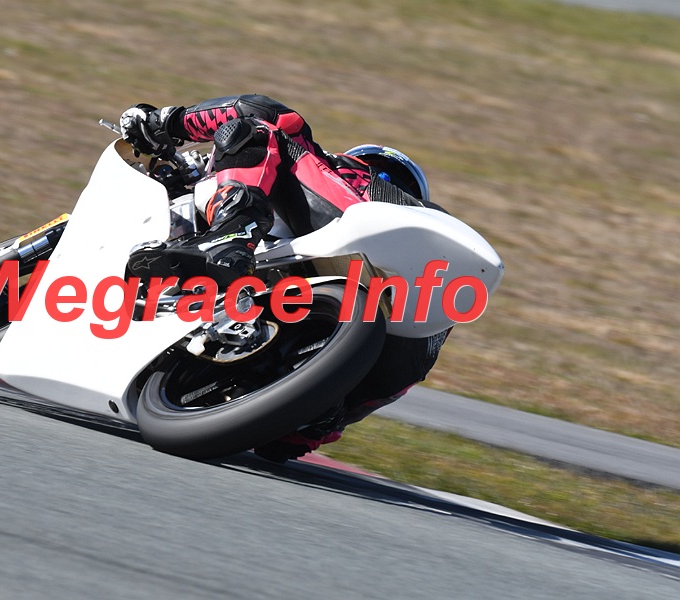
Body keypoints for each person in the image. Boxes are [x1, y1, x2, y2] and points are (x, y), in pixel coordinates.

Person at [119, 94, 449, 462]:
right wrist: (315, 416)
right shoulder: (429, 260)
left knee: (259, 126)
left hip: (344, 228)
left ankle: (232, 234)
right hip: (389, 335)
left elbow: (256, 110)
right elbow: (396, 378)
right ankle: (320, 416)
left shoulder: (348, 173)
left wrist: (163, 124)